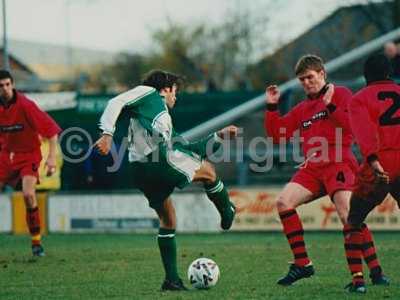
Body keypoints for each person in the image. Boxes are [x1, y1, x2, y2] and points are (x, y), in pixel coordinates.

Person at [95, 70, 237, 291]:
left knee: (168, 219)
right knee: (209, 171)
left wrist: (218, 136)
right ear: (166, 89)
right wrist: (107, 134)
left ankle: (171, 280)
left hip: (139, 170)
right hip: (157, 161)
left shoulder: (161, 120)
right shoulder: (148, 93)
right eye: (175, 92)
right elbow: (115, 102)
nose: (176, 98)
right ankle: (227, 213)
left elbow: (188, 149)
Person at [264, 55, 388, 287]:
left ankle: (375, 271)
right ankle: (303, 264)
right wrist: (272, 106)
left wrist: (331, 105)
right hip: (312, 168)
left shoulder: (341, 94)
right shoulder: (302, 109)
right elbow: (277, 135)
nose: (306, 83)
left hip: (338, 163)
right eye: (302, 80)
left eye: (310, 77)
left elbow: (353, 127)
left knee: (348, 217)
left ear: (322, 74)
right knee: (283, 203)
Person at [344, 54, 400, 293]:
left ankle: (358, 281)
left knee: (354, 220)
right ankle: (376, 275)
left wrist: (374, 162)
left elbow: (365, 134)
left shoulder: (359, 99)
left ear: (366, 76)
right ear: (389, 73)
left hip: (380, 164)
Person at [0, 70, 61, 256]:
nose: (5, 89)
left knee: (28, 194)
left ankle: (36, 242)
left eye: (7, 84)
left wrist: (51, 158)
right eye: (1, 86)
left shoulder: (26, 105)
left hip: (29, 155)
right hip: (6, 155)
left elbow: (51, 131)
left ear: (13, 85)